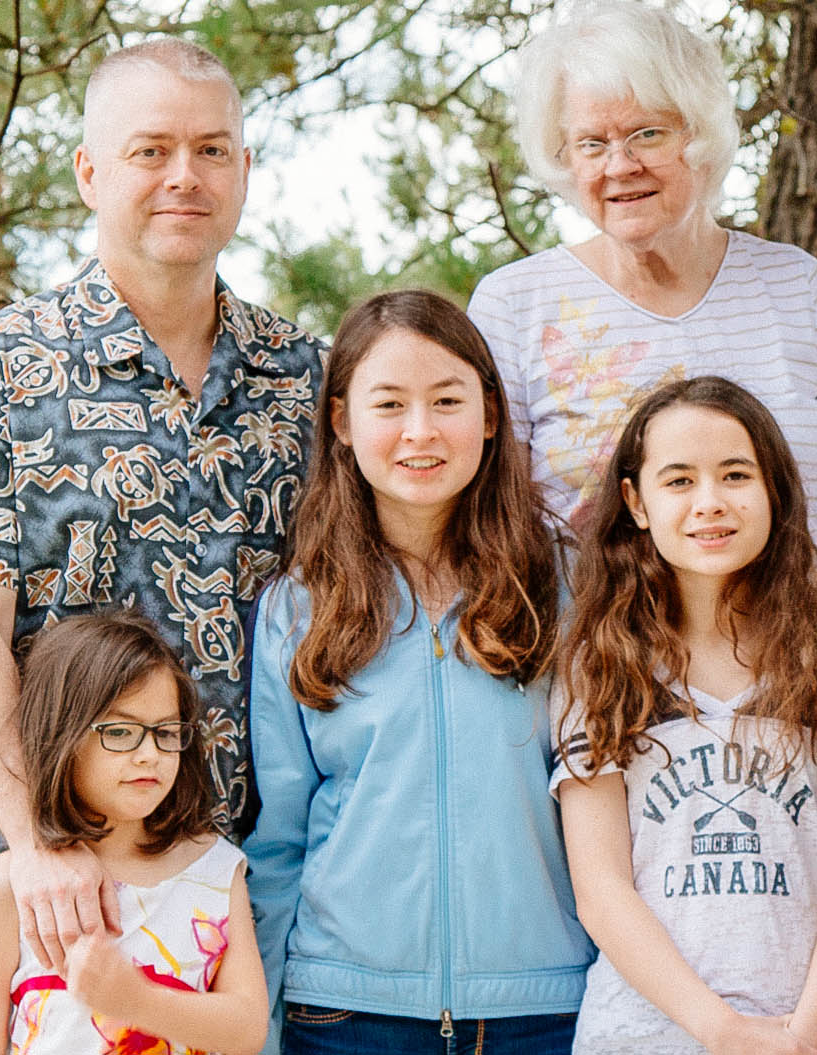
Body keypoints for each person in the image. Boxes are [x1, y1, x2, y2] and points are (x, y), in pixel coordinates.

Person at [0, 38, 323, 1054]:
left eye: (213, 149)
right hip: (44, 884)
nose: (185, 176)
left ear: (246, 170)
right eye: (150, 150)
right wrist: (37, 844)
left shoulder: (306, 379)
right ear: (89, 170)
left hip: (233, 883)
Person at [244, 291, 591, 1054]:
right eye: (389, 403)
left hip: (544, 1008)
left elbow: (608, 809)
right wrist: (261, 1027)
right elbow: (277, 843)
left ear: (491, 415)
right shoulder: (296, 609)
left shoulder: (563, 586)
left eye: (446, 400)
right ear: (341, 422)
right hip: (341, 1011)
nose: (420, 431)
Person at [468, 0, 817, 621]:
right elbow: (485, 518)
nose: (620, 166)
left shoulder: (801, 288)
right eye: (591, 143)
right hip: (607, 679)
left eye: (647, 134)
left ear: (701, 134)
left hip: (804, 668)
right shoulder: (513, 306)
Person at [552, 376, 817, 1055]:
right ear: (635, 501)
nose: (709, 502)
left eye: (735, 474)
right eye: (677, 480)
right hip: (642, 1035)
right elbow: (602, 889)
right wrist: (723, 1031)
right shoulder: (598, 665)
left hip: (812, 1035)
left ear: (773, 490)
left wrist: (803, 1039)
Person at [0, 609, 267, 1054]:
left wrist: (137, 1001)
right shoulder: (4, 889)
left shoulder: (213, 869)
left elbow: (249, 1030)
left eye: (165, 731)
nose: (148, 754)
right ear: (60, 735)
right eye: (120, 732)